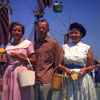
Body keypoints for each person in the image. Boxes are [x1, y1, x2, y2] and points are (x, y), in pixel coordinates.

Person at [58, 22, 97, 100]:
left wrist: (85, 69)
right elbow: (59, 65)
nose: (73, 35)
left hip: (82, 79)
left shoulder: (87, 48)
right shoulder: (64, 47)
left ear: (81, 34)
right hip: (68, 79)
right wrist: (65, 69)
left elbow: (91, 66)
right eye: (71, 33)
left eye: (76, 33)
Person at [2, 22, 36, 100]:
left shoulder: (27, 44)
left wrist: (19, 58)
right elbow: (7, 63)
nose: (17, 32)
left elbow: (34, 60)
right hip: (10, 73)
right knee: (9, 93)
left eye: (19, 31)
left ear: (22, 33)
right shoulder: (8, 46)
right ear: (11, 32)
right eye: (14, 30)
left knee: (23, 95)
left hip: (22, 73)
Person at [34, 19, 61, 100]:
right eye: (39, 28)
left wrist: (55, 79)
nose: (41, 30)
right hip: (35, 80)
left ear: (48, 30)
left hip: (47, 80)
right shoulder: (34, 44)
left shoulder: (54, 43)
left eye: (43, 28)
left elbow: (57, 63)